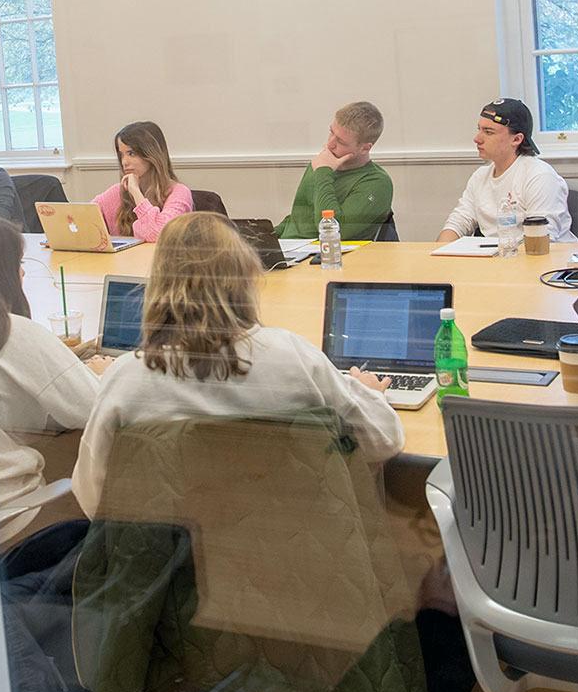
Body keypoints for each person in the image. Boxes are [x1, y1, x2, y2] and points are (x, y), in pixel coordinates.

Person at [71, 213, 401, 516]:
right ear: (244, 275)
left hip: (173, 571)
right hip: (296, 562)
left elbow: (92, 498)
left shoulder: (127, 379)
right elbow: (383, 440)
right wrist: (370, 394)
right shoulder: (292, 357)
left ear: (158, 283)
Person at [0, 212, 102, 435]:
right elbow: (94, 407)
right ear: (1, 272)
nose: (23, 271)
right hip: (14, 467)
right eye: (18, 262)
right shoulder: (12, 332)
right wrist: (103, 373)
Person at [436, 99, 575, 243]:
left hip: (539, 259)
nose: (477, 139)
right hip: (496, 258)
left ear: (516, 139)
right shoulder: (479, 177)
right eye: (479, 130)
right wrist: (440, 252)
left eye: (488, 132)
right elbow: (459, 222)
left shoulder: (539, 176)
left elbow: (542, 241)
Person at [276, 101, 394, 241]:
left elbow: (330, 231)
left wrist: (323, 171)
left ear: (365, 148)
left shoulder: (377, 182)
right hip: (290, 250)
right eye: (331, 132)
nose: (330, 144)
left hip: (325, 255)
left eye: (341, 142)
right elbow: (298, 218)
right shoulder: (321, 165)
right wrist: (267, 237)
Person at [91, 121, 193, 243]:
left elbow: (157, 235)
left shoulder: (179, 193)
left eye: (131, 153)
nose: (124, 162)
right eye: (121, 155)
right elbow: (84, 218)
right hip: (124, 261)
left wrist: (136, 192)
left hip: (160, 261)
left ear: (151, 156)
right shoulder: (116, 192)